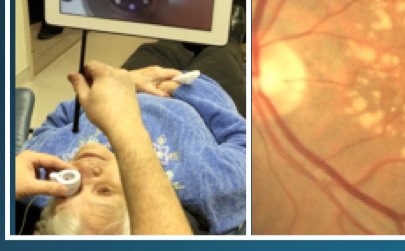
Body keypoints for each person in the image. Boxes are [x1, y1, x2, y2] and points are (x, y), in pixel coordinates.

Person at [15, 29, 246, 235]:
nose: (84, 168)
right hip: (199, 92)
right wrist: (183, 90)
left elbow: (58, 121)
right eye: (104, 190)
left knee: (171, 38)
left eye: (68, 188)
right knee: (221, 45)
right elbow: (242, 142)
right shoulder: (203, 186)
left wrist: (119, 86)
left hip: (127, 85)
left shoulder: (42, 173)